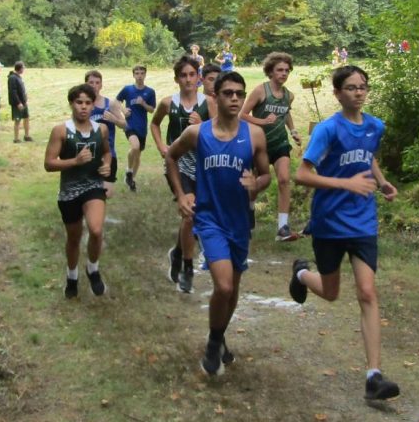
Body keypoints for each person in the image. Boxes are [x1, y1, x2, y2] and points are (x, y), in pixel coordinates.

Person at [288, 65, 400, 401]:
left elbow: (368, 158)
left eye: (363, 87)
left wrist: (380, 182)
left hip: (363, 221)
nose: (358, 92)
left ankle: (374, 376)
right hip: (329, 222)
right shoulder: (328, 130)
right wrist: (344, 183)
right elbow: (302, 174)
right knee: (332, 292)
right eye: (351, 88)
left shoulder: (375, 126)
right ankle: (302, 273)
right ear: (337, 93)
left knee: (367, 292)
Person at [164, 71, 271, 376]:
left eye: (240, 93)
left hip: (240, 220)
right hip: (209, 219)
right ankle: (213, 343)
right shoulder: (199, 133)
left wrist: (257, 184)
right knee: (222, 285)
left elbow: (265, 175)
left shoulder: (254, 135)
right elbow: (171, 157)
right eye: (228, 93)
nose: (235, 98)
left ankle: (220, 335)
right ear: (216, 96)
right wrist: (183, 194)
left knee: (232, 289)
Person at [43, 84, 113, 299]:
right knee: (73, 238)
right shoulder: (61, 131)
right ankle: (72, 276)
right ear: (72, 104)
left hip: (93, 186)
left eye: (88, 103)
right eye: (79, 102)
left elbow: (107, 152)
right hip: (69, 192)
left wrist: (107, 166)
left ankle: (93, 269)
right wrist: (74, 161)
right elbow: (48, 163)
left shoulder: (100, 129)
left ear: (93, 105)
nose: (83, 107)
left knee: (96, 230)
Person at [151, 55, 210, 293]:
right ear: (176, 79)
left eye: (192, 75)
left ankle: (177, 253)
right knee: (189, 213)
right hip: (177, 164)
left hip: (203, 165)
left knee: (194, 216)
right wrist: (162, 147)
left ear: (199, 78)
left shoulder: (209, 103)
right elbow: (154, 124)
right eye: (183, 75)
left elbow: (219, 131)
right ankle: (187, 267)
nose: (188, 79)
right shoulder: (168, 103)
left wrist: (203, 122)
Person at [240, 52, 302, 241]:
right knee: (255, 183)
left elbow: (286, 114)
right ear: (270, 72)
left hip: (280, 143)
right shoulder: (261, 91)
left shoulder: (288, 96)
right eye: (280, 70)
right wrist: (263, 121)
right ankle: (249, 207)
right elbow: (242, 114)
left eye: (286, 70)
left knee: (284, 179)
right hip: (259, 144)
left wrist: (293, 132)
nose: (284, 74)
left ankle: (282, 227)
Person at [84, 69, 128, 193]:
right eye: (91, 82)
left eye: (97, 82)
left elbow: (124, 125)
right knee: (90, 191)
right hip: (88, 153)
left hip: (109, 153)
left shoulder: (110, 104)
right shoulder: (83, 105)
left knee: (107, 192)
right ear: (86, 84)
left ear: (101, 85)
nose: (94, 86)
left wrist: (114, 119)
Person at [115, 65, 157, 193]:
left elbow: (152, 110)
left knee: (137, 155)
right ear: (133, 75)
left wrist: (143, 104)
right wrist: (123, 110)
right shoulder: (128, 90)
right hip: (130, 125)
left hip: (142, 127)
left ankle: (131, 180)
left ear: (145, 75)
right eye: (137, 73)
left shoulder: (150, 92)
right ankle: (128, 170)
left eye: (142, 73)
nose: (139, 76)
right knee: (135, 146)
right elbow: (116, 101)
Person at [8, 61, 32, 143]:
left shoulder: (18, 77)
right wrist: (18, 103)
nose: (24, 69)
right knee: (17, 120)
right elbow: (13, 92)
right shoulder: (12, 78)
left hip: (23, 102)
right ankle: (16, 138)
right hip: (17, 104)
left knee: (26, 118)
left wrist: (25, 98)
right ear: (20, 68)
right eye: (23, 68)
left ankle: (27, 136)